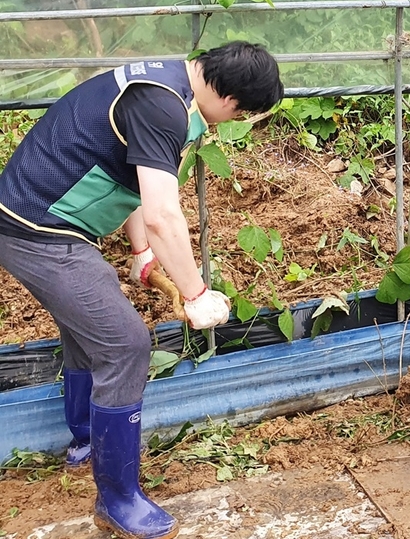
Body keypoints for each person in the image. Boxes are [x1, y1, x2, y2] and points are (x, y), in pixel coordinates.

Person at [0, 42, 283, 539]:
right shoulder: (162, 107)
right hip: (39, 230)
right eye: (241, 115)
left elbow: (131, 175)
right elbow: (162, 214)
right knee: (126, 344)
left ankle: (85, 442)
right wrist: (195, 294)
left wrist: (141, 252)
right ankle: (118, 499)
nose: (228, 124)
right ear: (233, 100)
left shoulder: (167, 85)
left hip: (36, 220)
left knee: (90, 332)